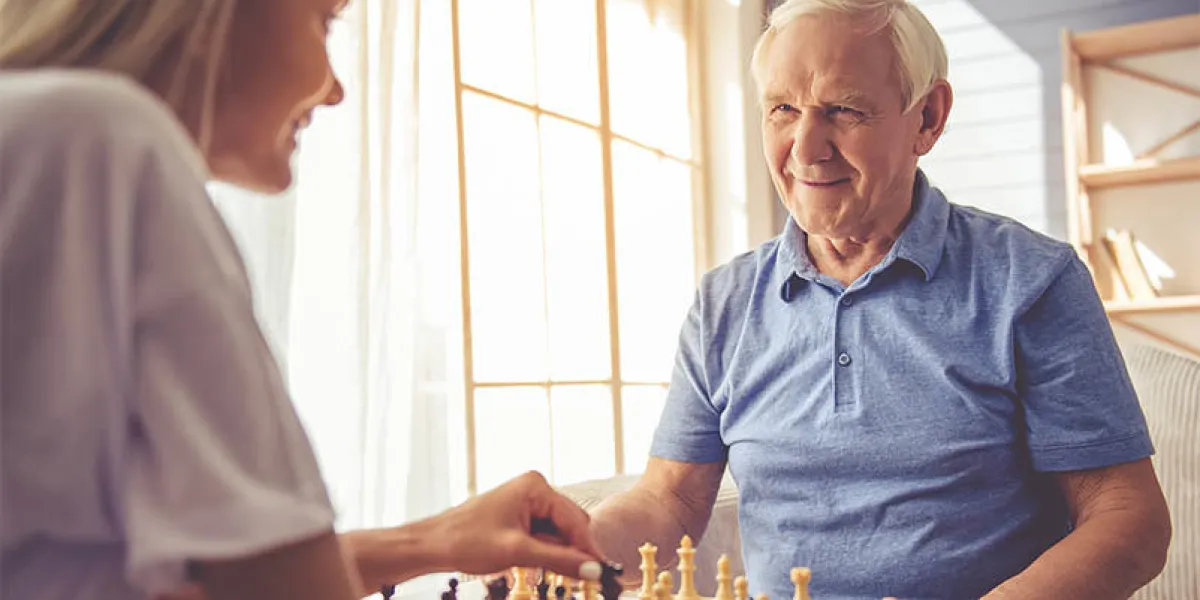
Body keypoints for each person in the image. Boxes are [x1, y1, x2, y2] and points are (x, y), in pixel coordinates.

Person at [0, 1, 604, 600]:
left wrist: (432, 539)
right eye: (325, 22)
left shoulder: (43, 136)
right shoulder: (103, 138)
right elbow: (280, 585)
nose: (335, 89)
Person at [588, 1, 1172, 599]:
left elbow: (1128, 516)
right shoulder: (723, 303)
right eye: (783, 109)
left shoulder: (1033, 280)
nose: (806, 147)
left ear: (928, 118)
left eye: (843, 110)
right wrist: (576, 547)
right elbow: (672, 500)